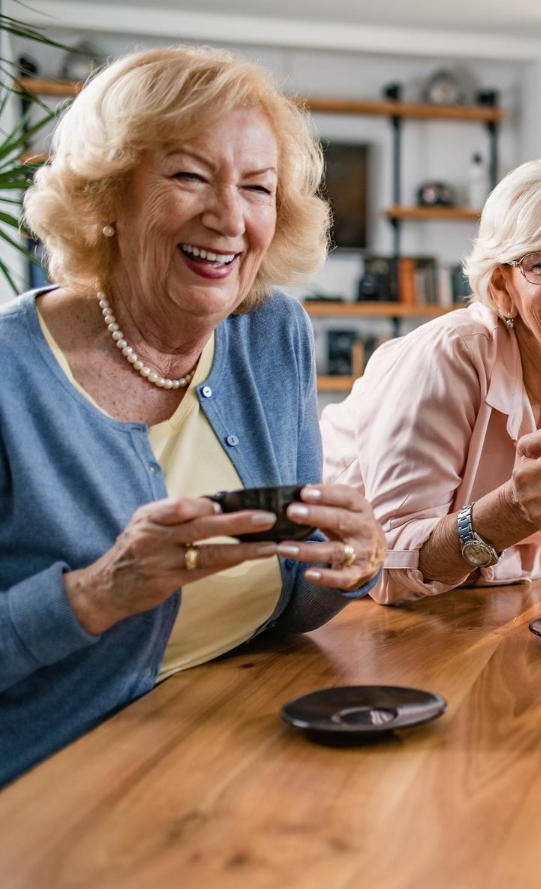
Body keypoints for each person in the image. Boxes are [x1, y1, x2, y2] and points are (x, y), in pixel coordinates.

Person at [1, 48, 386, 787]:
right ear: (108, 194)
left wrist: (346, 566)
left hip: (232, 740)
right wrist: (95, 593)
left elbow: (285, 600)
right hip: (49, 780)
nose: (230, 217)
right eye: (188, 175)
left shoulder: (271, 334)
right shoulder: (10, 373)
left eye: (257, 187)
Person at [320, 157, 541, 604]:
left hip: (483, 603)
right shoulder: (449, 356)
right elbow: (385, 571)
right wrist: (507, 516)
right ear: (502, 286)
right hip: (326, 598)